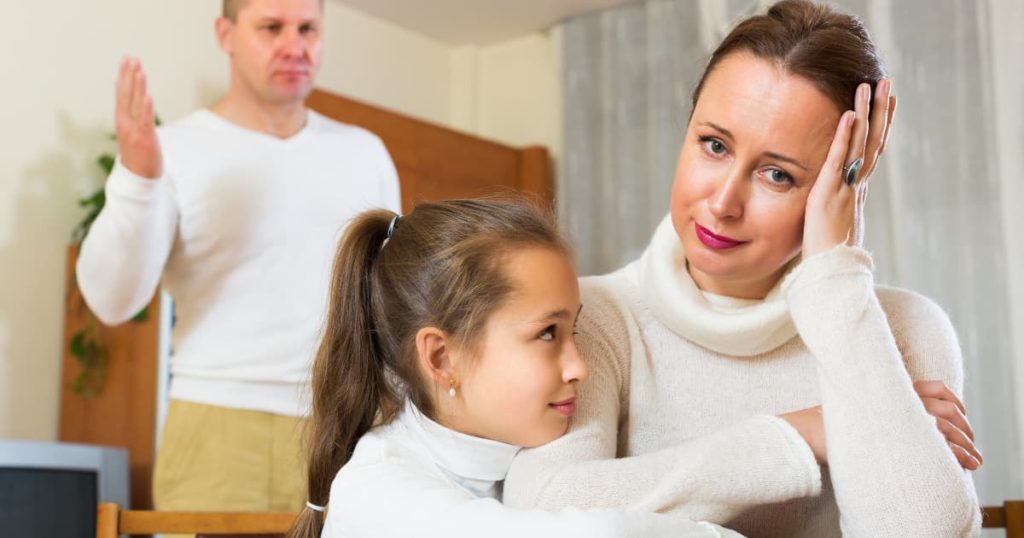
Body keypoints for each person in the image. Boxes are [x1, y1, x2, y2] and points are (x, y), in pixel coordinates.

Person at [503, 1, 982, 536]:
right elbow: (543, 509)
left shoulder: (903, 329)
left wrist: (835, 285)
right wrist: (804, 433)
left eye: (777, 175)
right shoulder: (592, 316)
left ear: (841, 185)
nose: (723, 202)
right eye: (714, 145)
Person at [76, 0, 401, 515]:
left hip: (344, 422)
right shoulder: (170, 149)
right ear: (225, 35)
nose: (294, 45)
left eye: (308, 29)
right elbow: (111, 301)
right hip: (214, 422)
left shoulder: (366, 153)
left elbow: (389, 303)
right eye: (271, 28)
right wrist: (139, 178)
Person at [286, 199, 744, 538]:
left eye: (574, 331)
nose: (580, 367)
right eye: (547, 333)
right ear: (443, 359)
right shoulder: (377, 492)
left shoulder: (521, 458)